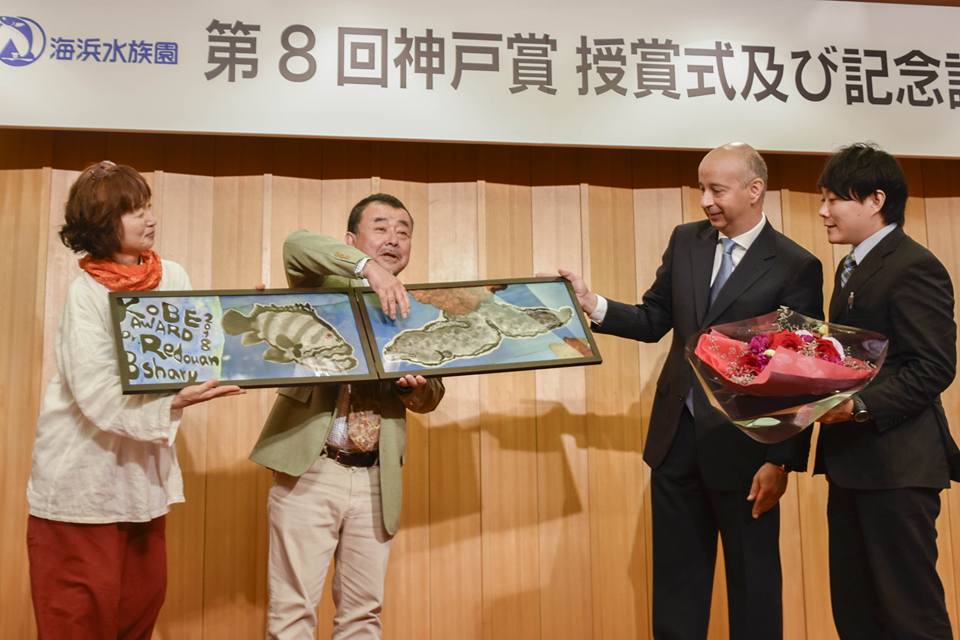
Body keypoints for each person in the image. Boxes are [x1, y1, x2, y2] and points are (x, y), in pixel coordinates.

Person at [560, 143, 823, 639]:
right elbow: (653, 319)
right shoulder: (686, 242)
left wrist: (782, 461)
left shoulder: (795, 265)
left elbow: (802, 373)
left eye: (716, 190)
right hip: (676, 442)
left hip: (749, 453)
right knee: (676, 590)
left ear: (754, 190)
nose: (705, 201)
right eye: (701, 188)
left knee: (754, 590)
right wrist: (591, 303)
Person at [26, 161, 243, 639]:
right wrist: (173, 404)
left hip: (143, 485)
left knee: (138, 615)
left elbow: (190, 354)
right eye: (134, 210)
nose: (150, 218)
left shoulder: (174, 276)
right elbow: (95, 393)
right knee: (76, 622)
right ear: (102, 223)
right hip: (81, 485)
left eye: (148, 206)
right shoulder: (85, 293)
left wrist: (239, 324)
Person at [251, 193, 445, 639]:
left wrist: (414, 388)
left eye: (403, 231)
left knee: (363, 616)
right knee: (292, 611)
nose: (393, 238)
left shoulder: (417, 309)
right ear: (351, 240)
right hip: (311, 468)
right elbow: (296, 244)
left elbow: (433, 393)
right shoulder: (319, 287)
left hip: (377, 477)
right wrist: (368, 269)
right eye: (381, 227)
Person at [816, 143, 958, 639]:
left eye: (834, 199)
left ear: (875, 200)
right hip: (852, 465)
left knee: (909, 614)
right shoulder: (850, 267)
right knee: (856, 613)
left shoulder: (914, 265)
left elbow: (933, 367)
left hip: (898, 468)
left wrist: (858, 406)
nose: (823, 211)